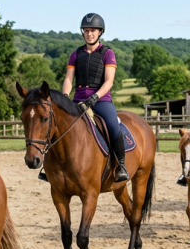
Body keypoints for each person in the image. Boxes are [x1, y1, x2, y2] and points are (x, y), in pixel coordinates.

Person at [39, 12, 128, 183]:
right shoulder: (75, 54)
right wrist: (65, 97)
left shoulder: (107, 53)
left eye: (93, 30)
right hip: (78, 100)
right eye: (86, 30)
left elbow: (109, 81)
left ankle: (120, 165)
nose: (89, 33)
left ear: (100, 32)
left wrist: (95, 97)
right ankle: (48, 166)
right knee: (57, 125)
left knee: (113, 126)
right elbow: (68, 79)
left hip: (101, 100)